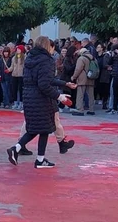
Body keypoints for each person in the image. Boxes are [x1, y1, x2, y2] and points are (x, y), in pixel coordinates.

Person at [6, 36, 72, 169]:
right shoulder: (47, 60)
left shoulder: (29, 58)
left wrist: (64, 84)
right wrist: (60, 97)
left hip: (29, 96)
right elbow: (44, 84)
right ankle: (37, 158)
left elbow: (41, 80)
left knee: (37, 128)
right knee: (43, 129)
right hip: (41, 99)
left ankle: (21, 150)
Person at [71, 47, 96, 115]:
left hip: (82, 79)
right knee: (91, 95)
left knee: (80, 94)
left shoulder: (81, 58)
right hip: (91, 78)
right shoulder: (93, 58)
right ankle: (91, 109)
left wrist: (74, 77)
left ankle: (80, 110)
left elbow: (78, 69)